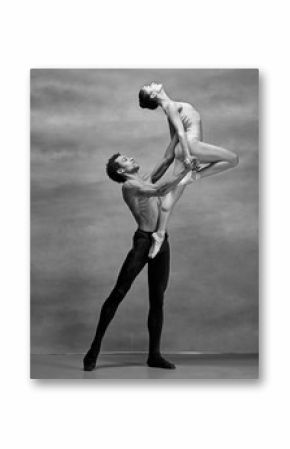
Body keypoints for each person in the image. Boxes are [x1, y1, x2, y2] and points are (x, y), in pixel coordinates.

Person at [83, 147, 195, 371]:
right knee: (119, 292)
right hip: (143, 243)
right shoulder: (130, 185)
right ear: (122, 171)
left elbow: (165, 160)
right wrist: (187, 172)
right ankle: (93, 349)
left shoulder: (142, 180)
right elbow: (160, 189)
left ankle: (154, 355)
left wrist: (176, 134)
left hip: (161, 241)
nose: (131, 157)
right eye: (125, 159)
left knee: (158, 299)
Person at [139, 82, 239, 258]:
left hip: (185, 150)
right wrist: (186, 156)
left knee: (169, 200)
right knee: (233, 159)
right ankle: (196, 175)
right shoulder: (170, 106)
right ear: (153, 95)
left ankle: (159, 235)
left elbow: (174, 141)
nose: (151, 84)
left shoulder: (169, 108)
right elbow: (181, 133)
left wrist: (167, 164)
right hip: (191, 148)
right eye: (149, 87)